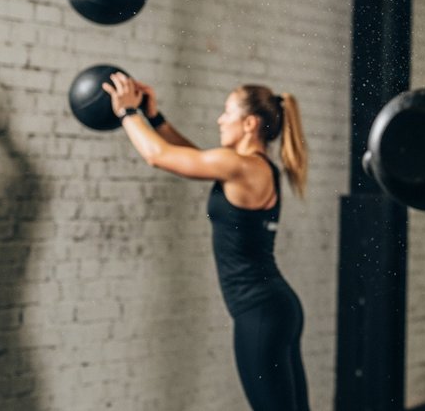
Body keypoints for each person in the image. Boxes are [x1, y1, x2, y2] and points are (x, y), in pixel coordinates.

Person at [102, 74, 311, 411]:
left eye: (227, 112)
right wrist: (154, 117)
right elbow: (194, 157)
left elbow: (157, 156)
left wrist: (127, 112)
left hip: (258, 313)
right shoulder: (253, 167)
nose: (220, 119)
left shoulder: (239, 166)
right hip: (275, 307)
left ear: (249, 123)